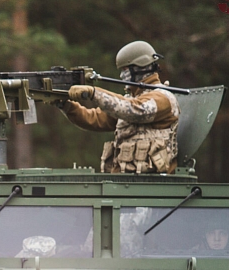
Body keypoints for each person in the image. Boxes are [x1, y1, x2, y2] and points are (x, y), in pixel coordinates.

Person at [59, 41, 180, 174]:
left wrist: (95, 93)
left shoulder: (163, 98)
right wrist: (65, 105)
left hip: (152, 183)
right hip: (126, 182)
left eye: (125, 70)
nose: (122, 76)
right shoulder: (130, 100)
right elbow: (94, 119)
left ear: (140, 68)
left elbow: (135, 110)